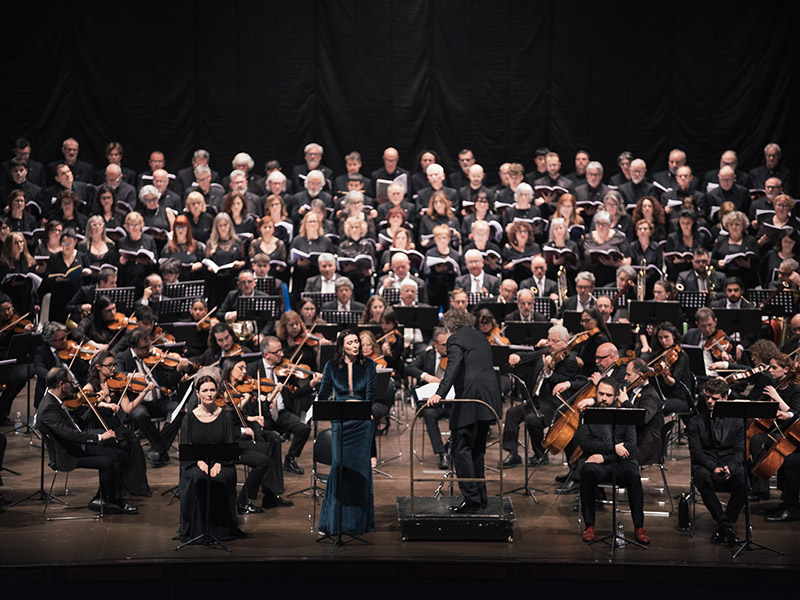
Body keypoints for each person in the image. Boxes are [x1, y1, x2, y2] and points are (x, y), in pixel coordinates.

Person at [427, 308, 503, 512]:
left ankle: (471, 499)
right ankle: (481, 496)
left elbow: (453, 366)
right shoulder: (480, 336)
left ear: (450, 326)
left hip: (470, 396)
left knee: (460, 449)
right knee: (477, 449)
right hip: (489, 395)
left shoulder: (455, 339)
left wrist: (440, 393)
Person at [36, 366, 137, 514]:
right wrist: (100, 437)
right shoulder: (48, 408)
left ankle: (102, 498)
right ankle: (116, 501)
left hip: (76, 447)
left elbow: (79, 425)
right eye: (71, 382)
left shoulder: (57, 401)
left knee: (120, 454)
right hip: (67, 456)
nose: (74, 386)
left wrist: (94, 405)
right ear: (61, 384)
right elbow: (69, 434)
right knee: (108, 462)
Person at [316, 330, 377, 536]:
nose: (356, 345)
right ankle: (333, 522)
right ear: (342, 346)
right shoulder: (331, 366)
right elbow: (323, 394)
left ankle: (359, 523)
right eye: (350, 342)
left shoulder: (368, 365)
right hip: (341, 421)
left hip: (361, 423)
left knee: (361, 471)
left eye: (357, 341)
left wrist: (365, 409)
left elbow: (370, 395)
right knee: (339, 467)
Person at [577, 378, 650, 545]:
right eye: (600, 394)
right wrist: (613, 448)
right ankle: (589, 525)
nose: (603, 398)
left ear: (616, 396)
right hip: (598, 464)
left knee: (633, 474)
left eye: (608, 395)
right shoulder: (587, 414)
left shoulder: (626, 414)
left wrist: (605, 455)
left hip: (620, 463)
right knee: (587, 472)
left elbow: (631, 445)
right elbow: (585, 444)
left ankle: (639, 526)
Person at [177, 374, 245, 543]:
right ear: (198, 394)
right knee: (199, 478)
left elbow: (228, 446)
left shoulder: (226, 415)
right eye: (205, 390)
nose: (209, 394)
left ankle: (221, 530)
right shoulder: (189, 418)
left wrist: (218, 464)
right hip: (195, 463)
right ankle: (199, 531)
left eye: (212, 390)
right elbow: (186, 450)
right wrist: (200, 462)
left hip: (222, 463)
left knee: (221, 478)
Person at [687, 378, 747, 544]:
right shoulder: (695, 422)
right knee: (701, 478)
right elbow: (697, 453)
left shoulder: (738, 421)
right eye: (708, 398)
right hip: (707, 464)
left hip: (729, 463)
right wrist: (713, 467)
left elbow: (740, 451)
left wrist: (730, 468)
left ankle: (724, 525)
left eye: (715, 398)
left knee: (744, 481)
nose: (710, 402)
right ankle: (726, 526)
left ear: (725, 398)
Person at [249, 336, 319, 475]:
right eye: (278, 352)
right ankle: (266, 466)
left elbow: (295, 392)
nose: (282, 354)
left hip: (281, 413)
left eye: (281, 350)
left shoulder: (285, 369)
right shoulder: (253, 368)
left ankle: (290, 459)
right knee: (269, 438)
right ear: (266, 354)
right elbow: (248, 391)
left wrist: (311, 384)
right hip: (264, 415)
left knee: (304, 429)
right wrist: (264, 398)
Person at [406, 327, 452, 470]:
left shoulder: (456, 356)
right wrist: (427, 376)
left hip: (451, 401)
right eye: (443, 345)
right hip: (432, 402)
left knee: (463, 413)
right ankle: (442, 454)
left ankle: (450, 446)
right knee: (429, 414)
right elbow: (409, 368)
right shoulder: (427, 355)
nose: (447, 348)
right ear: (435, 345)